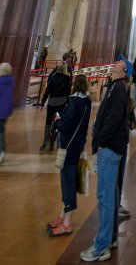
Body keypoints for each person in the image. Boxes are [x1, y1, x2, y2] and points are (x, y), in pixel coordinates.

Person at [81, 58, 129, 262]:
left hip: (109, 149)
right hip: (107, 148)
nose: (112, 66)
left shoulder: (118, 89)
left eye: (117, 65)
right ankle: (109, 238)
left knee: (105, 196)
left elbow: (114, 118)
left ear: (123, 70)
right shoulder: (114, 87)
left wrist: (101, 140)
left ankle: (101, 246)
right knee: (111, 192)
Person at [47, 73, 91, 236]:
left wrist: (58, 120)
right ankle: (62, 215)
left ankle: (67, 222)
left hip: (69, 146)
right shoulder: (86, 102)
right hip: (77, 144)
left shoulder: (75, 103)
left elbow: (66, 125)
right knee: (67, 180)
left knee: (68, 181)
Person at [40, 62, 72, 152]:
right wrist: (69, 104)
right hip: (61, 103)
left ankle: (45, 141)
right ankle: (52, 142)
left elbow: (47, 90)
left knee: (48, 121)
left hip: (52, 102)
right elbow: (68, 93)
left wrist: (42, 103)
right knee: (58, 121)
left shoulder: (53, 77)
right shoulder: (67, 79)